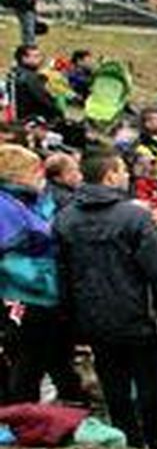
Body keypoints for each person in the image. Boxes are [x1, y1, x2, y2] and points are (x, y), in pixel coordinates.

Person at [54, 149, 157, 449]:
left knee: (115, 390)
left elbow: (62, 277)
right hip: (142, 319)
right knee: (154, 392)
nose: (128, 175)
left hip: (95, 322)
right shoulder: (135, 217)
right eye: (123, 170)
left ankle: (126, 446)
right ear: (110, 175)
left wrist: (73, 323)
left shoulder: (65, 219)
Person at [0, 143, 87, 406]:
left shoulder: (28, 203)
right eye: (34, 169)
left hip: (44, 293)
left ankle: (65, 402)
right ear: (16, 173)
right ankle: (21, 416)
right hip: (22, 294)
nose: (41, 175)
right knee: (28, 361)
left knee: (49, 356)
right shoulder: (6, 206)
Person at [8, 45, 55, 127]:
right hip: (32, 120)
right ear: (24, 58)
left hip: (19, 118)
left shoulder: (14, 73)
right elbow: (45, 101)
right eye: (36, 56)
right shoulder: (30, 78)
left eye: (40, 56)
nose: (40, 59)